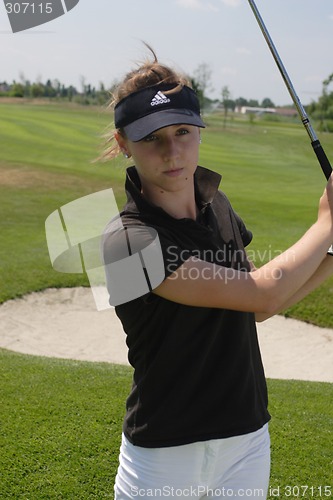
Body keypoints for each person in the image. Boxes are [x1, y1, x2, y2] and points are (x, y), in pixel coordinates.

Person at [101, 46, 333, 499]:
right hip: (164, 452)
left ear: (199, 132)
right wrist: (326, 222)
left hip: (245, 440)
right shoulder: (126, 242)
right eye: (152, 138)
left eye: (183, 131)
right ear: (123, 143)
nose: (172, 151)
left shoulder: (219, 207)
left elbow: (260, 310)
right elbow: (262, 293)